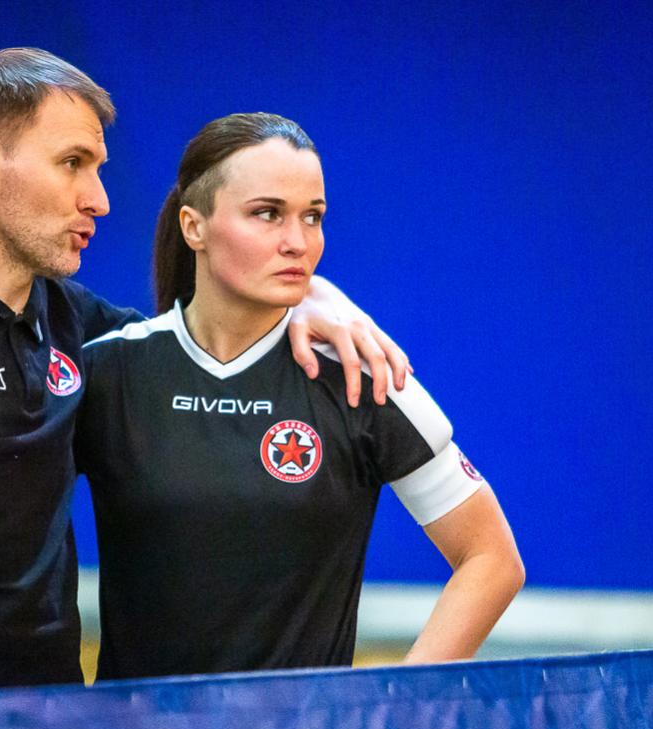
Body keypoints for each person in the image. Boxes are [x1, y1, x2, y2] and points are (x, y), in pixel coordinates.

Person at [0, 50, 408, 703]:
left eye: (98, 169)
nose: (98, 199)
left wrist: (312, 295)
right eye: (73, 163)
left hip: (55, 725)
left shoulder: (75, 324)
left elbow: (204, 331)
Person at [76, 113, 524, 680]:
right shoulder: (109, 371)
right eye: (267, 214)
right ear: (194, 227)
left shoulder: (360, 374)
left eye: (312, 217)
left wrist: (396, 701)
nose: (298, 242)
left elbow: (491, 558)